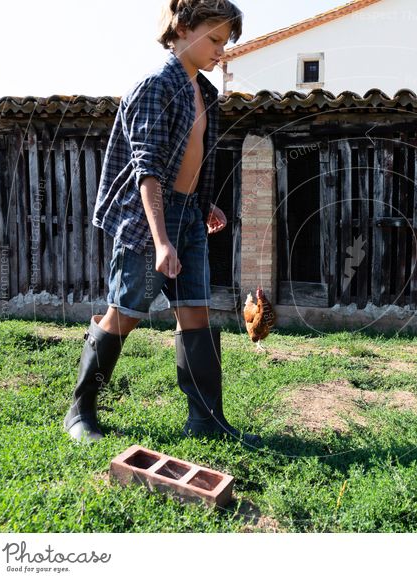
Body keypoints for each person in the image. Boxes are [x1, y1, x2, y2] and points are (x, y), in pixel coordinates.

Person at [63, 0, 260, 446]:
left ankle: (206, 419)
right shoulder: (157, 85)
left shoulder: (204, 92)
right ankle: (80, 412)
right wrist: (161, 239)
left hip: (189, 216)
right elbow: (147, 169)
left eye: (225, 43)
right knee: (126, 312)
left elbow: (190, 159)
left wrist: (201, 203)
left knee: (195, 312)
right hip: (149, 218)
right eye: (214, 39)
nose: (220, 51)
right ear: (183, 27)